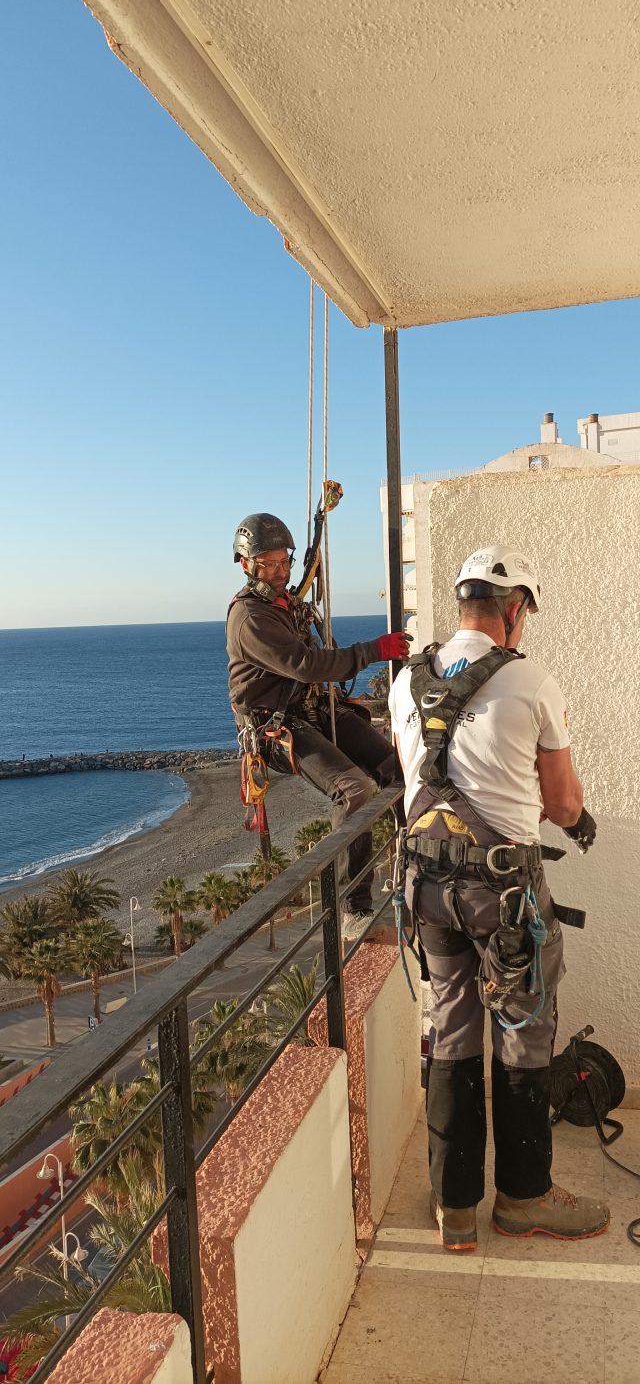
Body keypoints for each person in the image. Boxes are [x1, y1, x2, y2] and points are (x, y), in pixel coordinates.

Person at [389, 545, 609, 1249]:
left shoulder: (404, 681)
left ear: (464, 605)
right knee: (522, 1030)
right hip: (503, 893)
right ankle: (523, 1196)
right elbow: (565, 801)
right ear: (514, 611)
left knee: (451, 1026)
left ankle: (455, 1210)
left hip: (425, 884)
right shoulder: (531, 681)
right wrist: (577, 823)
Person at [227, 512, 411, 937]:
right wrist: (372, 650)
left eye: (282, 563)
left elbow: (312, 665)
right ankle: (354, 907)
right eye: (267, 565)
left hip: (310, 708)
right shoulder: (251, 619)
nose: (278, 573)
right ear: (245, 565)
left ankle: (417, 855)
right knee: (353, 789)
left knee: (396, 766)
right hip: (274, 728)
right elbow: (306, 665)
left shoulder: (283, 605)